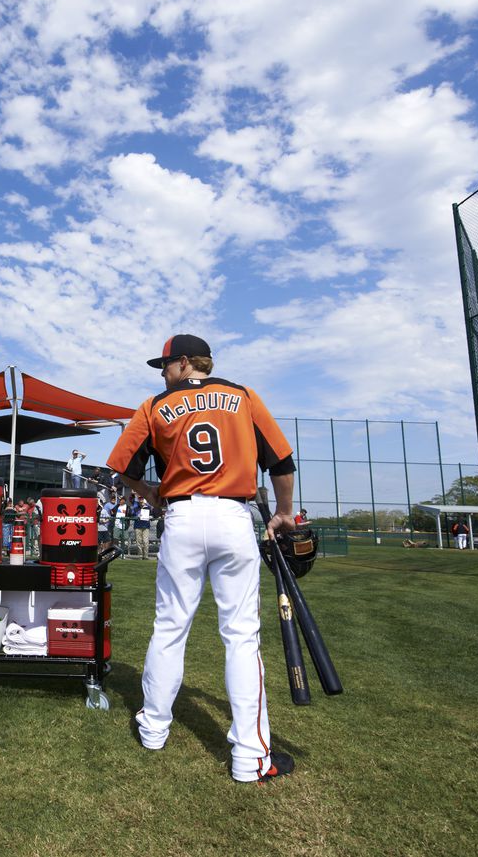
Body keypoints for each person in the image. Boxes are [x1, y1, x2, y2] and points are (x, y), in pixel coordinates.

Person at [107, 333, 297, 784]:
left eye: (166, 365)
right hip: (233, 517)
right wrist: (285, 513)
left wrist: (147, 490)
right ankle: (250, 758)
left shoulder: (156, 405)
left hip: (184, 518)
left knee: (170, 627)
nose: (162, 372)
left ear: (187, 362)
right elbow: (283, 464)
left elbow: (121, 465)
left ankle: (153, 728)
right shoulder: (242, 395)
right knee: (241, 635)